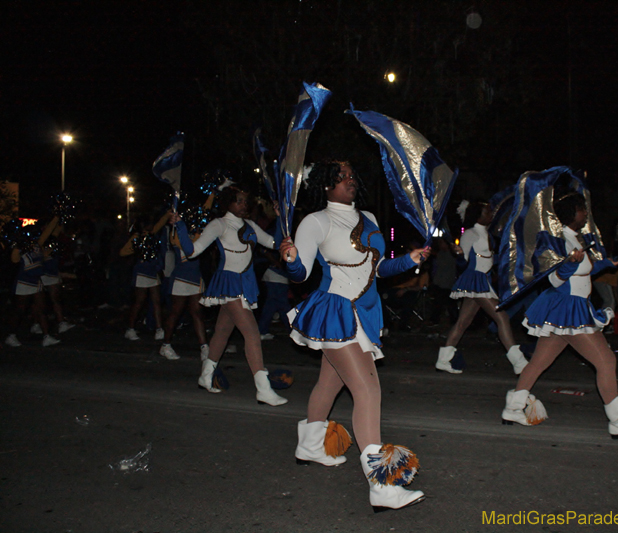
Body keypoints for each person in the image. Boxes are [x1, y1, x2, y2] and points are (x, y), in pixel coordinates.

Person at [280, 160, 427, 511]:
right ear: (325, 185)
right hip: (335, 312)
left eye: (351, 176)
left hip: (363, 314)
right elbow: (301, 275)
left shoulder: (371, 219)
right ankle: (382, 486)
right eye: (340, 177)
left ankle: (311, 446)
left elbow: (378, 269)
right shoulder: (316, 221)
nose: (349, 181)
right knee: (368, 390)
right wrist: (290, 259)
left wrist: (409, 259)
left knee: (330, 384)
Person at [500, 190, 618, 438]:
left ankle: (513, 408)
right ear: (573, 213)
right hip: (566, 308)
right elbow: (553, 278)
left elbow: (584, 269)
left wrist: (606, 264)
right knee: (606, 360)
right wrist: (570, 264)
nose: (586, 214)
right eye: (583, 209)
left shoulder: (576, 238)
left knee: (539, 362)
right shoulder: (557, 240)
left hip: (570, 309)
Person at [172, 184, 287, 406]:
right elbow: (192, 251)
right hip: (230, 283)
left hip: (245, 282)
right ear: (228, 203)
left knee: (222, 332)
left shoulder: (251, 225)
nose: (244, 205)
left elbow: (274, 243)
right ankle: (263, 389)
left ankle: (205, 376)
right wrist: (180, 227)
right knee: (252, 333)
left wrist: (281, 220)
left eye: (246, 201)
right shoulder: (219, 224)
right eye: (239, 200)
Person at [435, 200, 527, 375]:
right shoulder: (470, 234)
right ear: (477, 215)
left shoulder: (488, 234)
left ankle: (443, 359)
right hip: (475, 280)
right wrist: (459, 255)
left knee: (463, 322)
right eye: (487, 212)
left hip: (483, 280)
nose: (491, 215)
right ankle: (519, 361)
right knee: (502, 317)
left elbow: (491, 259)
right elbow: (463, 264)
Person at [158, 210, 210, 362]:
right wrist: (173, 220)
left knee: (197, 313)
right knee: (175, 313)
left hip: (196, 278)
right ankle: (165, 345)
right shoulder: (175, 233)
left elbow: (204, 211)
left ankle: (204, 348)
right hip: (181, 278)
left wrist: (215, 192)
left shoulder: (197, 234)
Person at [4, 226, 61, 348]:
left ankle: (46, 336)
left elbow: (49, 234)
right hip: (24, 283)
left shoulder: (37, 246)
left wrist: (57, 218)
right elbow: (14, 260)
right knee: (19, 310)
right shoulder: (21, 249)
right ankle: (11, 335)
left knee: (41, 309)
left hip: (36, 281)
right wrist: (18, 245)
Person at [120, 213, 170, 341]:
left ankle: (159, 329)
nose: (151, 226)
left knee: (156, 301)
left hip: (152, 271)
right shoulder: (137, 237)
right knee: (139, 301)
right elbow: (123, 252)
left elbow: (160, 224)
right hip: (142, 272)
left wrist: (168, 214)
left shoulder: (152, 234)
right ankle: (130, 328)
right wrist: (137, 250)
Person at [37, 215, 75, 335]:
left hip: (52, 273)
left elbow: (59, 230)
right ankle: (37, 324)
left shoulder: (52, 239)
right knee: (39, 302)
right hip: (42, 273)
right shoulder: (40, 240)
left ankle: (60, 323)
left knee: (55, 299)